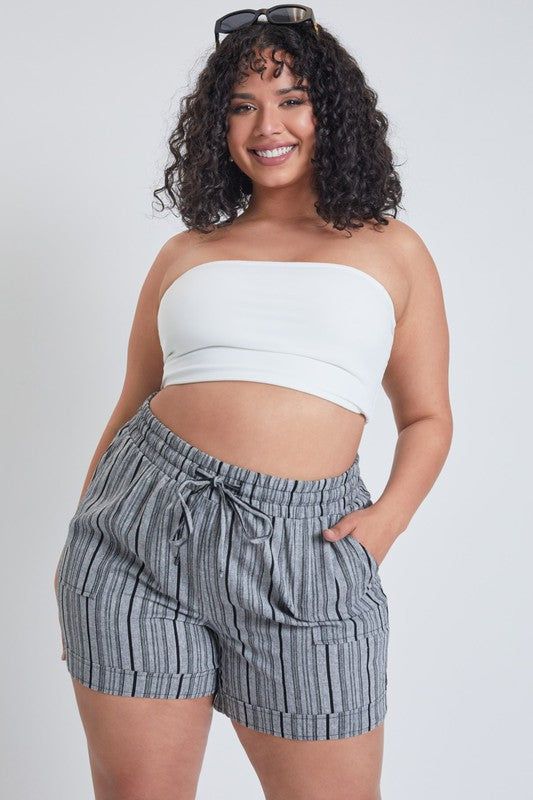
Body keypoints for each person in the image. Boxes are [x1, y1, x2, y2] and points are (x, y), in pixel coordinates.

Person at [54, 7, 453, 800]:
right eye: (242, 105)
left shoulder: (391, 248)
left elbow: (427, 418)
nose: (267, 125)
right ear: (219, 127)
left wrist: (383, 526)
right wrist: (81, 548)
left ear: (329, 113)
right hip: (132, 542)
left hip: (305, 550)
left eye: (291, 99)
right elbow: (132, 404)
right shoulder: (185, 253)